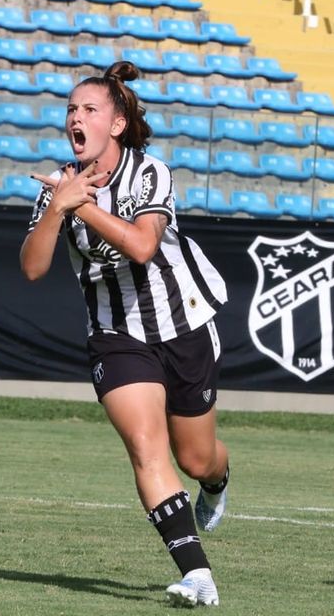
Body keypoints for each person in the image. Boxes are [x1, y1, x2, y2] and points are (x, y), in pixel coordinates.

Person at [19, 61, 231, 608]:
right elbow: (33, 269)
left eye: (89, 109)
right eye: (70, 109)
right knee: (145, 446)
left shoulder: (150, 172)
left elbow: (142, 246)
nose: (75, 118)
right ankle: (197, 573)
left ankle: (217, 485)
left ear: (115, 124)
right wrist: (56, 210)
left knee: (198, 458)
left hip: (183, 324)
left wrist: (81, 206)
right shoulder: (58, 187)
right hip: (116, 333)